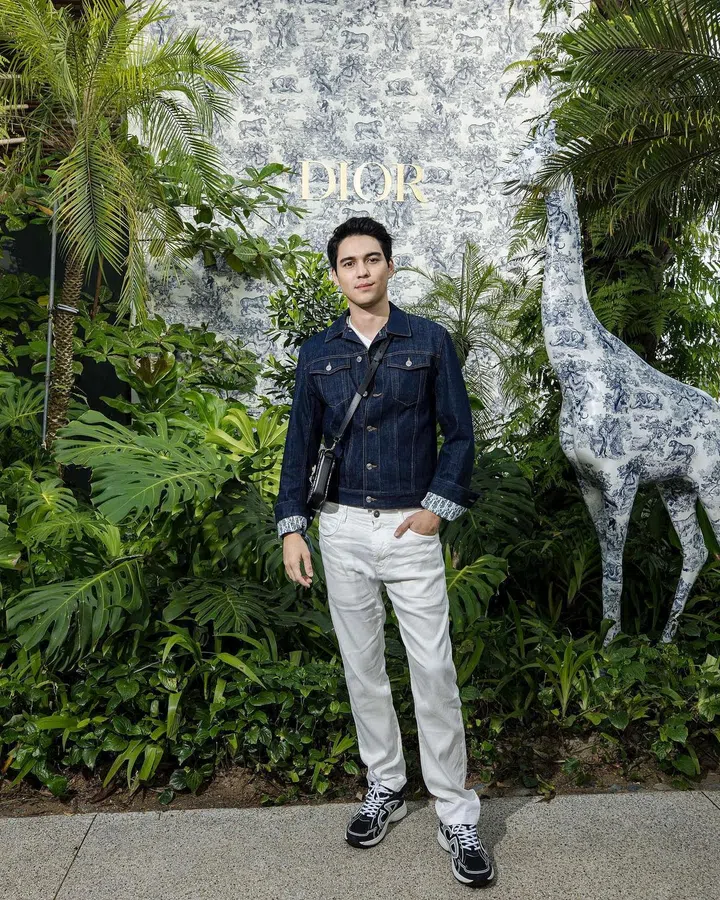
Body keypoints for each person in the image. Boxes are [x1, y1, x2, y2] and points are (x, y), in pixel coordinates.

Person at [274, 216, 494, 887]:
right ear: (335, 275)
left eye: (372, 259)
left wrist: (436, 509)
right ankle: (386, 786)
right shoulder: (318, 352)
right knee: (362, 667)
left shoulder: (428, 341)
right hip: (341, 530)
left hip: (408, 531)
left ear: (390, 266)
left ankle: (455, 812)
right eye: (349, 262)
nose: (362, 271)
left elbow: (460, 434)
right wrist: (291, 526)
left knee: (433, 669)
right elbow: (299, 443)